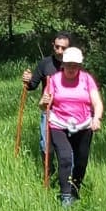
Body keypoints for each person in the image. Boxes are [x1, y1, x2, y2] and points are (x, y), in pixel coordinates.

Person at [40, 45, 103, 206]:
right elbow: (43, 104)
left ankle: (75, 189)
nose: (71, 68)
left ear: (80, 66)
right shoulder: (54, 80)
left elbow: (97, 102)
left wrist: (97, 118)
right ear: (63, 64)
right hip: (59, 123)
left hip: (83, 125)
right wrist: (44, 102)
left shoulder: (87, 79)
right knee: (66, 158)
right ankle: (65, 195)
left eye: (75, 65)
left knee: (81, 161)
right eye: (68, 65)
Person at [23, 31, 70, 171]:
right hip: (49, 110)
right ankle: (48, 171)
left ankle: (66, 173)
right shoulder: (45, 64)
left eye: (63, 48)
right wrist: (27, 80)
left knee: (66, 145)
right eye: (57, 47)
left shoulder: (73, 65)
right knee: (46, 145)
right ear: (53, 46)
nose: (60, 51)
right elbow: (32, 86)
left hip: (69, 112)